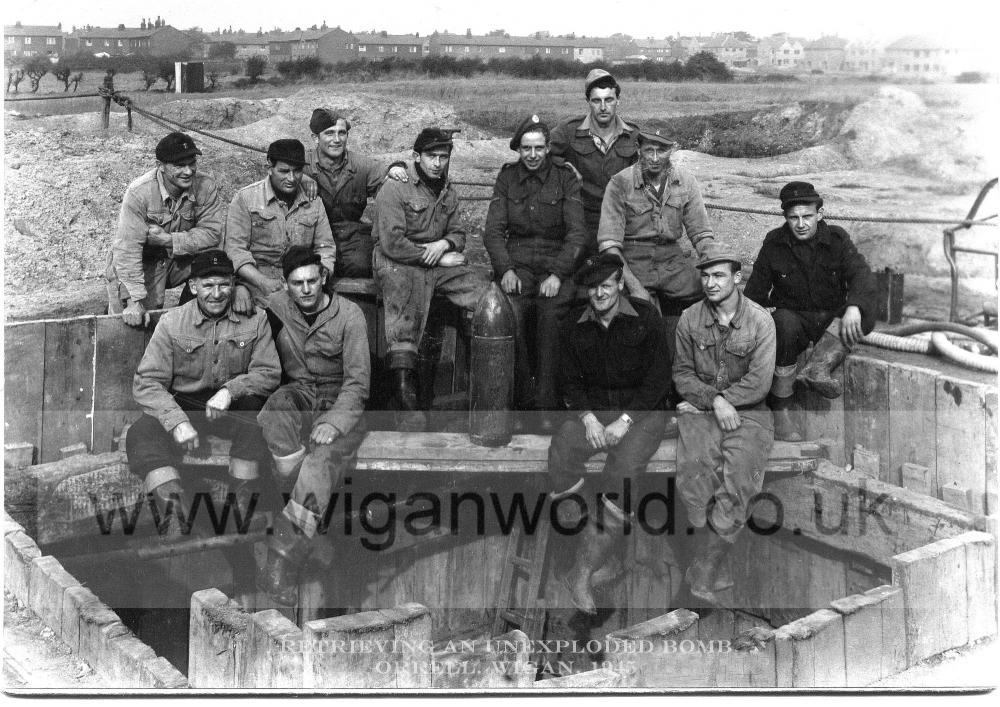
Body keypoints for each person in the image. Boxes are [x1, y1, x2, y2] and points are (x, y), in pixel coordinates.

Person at [547, 253, 672, 615]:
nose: (599, 294)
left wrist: (625, 421)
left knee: (623, 471)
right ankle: (589, 547)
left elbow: (658, 379)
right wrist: (587, 418)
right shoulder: (573, 324)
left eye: (606, 285)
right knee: (561, 451)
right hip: (596, 413)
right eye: (593, 287)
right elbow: (567, 381)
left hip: (642, 413)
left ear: (620, 284)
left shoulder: (646, 317)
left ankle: (583, 575)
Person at [126, 249, 280, 536]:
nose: (217, 294)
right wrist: (177, 421)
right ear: (193, 286)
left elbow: (268, 373)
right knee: (141, 434)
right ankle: (174, 515)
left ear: (234, 284)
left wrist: (230, 391)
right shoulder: (173, 323)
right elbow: (147, 382)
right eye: (208, 285)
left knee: (256, 418)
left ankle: (243, 509)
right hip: (185, 405)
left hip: (231, 406)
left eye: (223, 284)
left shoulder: (256, 319)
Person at [256, 247, 371, 605]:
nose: (305, 290)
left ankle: (283, 555)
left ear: (323, 278)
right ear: (286, 285)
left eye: (311, 281)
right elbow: (243, 295)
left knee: (319, 462)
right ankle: (307, 513)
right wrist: (243, 291)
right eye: (296, 283)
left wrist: (336, 424)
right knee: (272, 413)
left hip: (341, 402)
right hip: (303, 393)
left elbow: (358, 384)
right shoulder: (277, 304)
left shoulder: (349, 316)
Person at [673, 244, 776, 605]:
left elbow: (761, 382)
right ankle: (705, 560)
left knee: (740, 479)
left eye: (718, 275)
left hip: (749, 413)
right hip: (705, 410)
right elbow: (682, 375)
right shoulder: (689, 319)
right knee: (694, 474)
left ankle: (704, 570)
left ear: (737, 278)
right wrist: (713, 401)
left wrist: (725, 400)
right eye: (705, 275)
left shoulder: (760, 321)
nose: (710, 283)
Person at [372, 127, 489, 431]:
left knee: (484, 294)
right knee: (405, 305)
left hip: (437, 262)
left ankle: (482, 382)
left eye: (443, 157)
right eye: (431, 156)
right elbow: (393, 243)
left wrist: (444, 245)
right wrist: (434, 252)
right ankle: (404, 397)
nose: (438, 163)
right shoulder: (395, 188)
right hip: (396, 260)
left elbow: (458, 233)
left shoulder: (448, 190)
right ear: (416, 157)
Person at [743, 181, 877, 441]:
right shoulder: (774, 243)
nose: (801, 224)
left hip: (830, 319)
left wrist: (854, 307)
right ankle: (781, 410)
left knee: (864, 310)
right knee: (781, 323)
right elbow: (754, 293)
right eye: (794, 218)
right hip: (795, 320)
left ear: (820, 215)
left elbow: (862, 275)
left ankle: (818, 367)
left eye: (807, 216)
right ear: (785, 218)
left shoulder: (837, 239)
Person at [483, 114, 587, 431]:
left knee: (551, 319)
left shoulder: (565, 177)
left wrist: (557, 274)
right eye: (526, 148)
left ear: (547, 148)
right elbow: (493, 231)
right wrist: (506, 270)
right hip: (518, 265)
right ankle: (522, 403)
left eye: (538, 148)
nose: (532, 155)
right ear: (518, 149)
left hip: (556, 265)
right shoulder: (507, 177)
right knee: (508, 315)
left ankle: (546, 407)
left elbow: (577, 234)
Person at [596, 126, 714, 347]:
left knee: (715, 296)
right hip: (634, 262)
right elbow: (609, 245)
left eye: (662, 151)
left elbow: (701, 234)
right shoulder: (620, 183)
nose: (655, 158)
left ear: (672, 150)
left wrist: (716, 269)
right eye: (649, 150)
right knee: (639, 318)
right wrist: (634, 286)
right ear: (638, 149)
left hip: (672, 262)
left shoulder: (685, 180)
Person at [107, 131, 225, 327]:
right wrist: (133, 301)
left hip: (178, 259)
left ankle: (193, 318)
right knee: (134, 325)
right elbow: (128, 249)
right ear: (160, 166)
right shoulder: (139, 192)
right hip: (143, 263)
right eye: (179, 165)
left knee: (219, 255)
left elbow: (212, 233)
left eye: (192, 163)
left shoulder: (205, 186)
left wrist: (169, 240)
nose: (188, 171)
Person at [224, 138, 336, 313]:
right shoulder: (246, 199)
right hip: (258, 283)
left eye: (297, 171)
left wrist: (320, 277)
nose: (291, 178)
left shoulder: (314, 202)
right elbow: (235, 250)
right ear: (270, 167)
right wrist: (261, 282)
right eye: (284, 171)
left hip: (303, 282)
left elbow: (326, 248)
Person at [304, 108, 408, 278]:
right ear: (315, 138)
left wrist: (397, 167)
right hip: (311, 234)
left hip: (350, 235)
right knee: (305, 269)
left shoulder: (361, 165)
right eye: (329, 133)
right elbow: (279, 174)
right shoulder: (302, 164)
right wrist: (301, 178)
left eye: (342, 133)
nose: (337, 140)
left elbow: (387, 177)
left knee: (363, 266)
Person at [549, 69, 640, 256]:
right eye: (597, 100)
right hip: (581, 217)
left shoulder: (633, 135)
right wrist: (564, 167)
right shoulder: (569, 130)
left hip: (620, 218)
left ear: (618, 101)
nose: (603, 107)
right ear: (588, 102)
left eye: (609, 100)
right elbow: (540, 153)